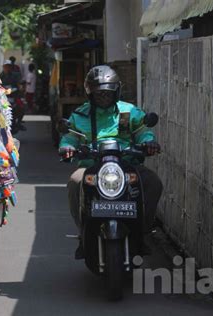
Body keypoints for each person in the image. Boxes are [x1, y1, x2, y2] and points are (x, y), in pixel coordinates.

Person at [59, 65, 163, 259]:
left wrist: (148, 142)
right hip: (91, 167)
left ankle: (144, 230)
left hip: (126, 164)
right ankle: (84, 233)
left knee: (152, 183)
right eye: (99, 94)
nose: (103, 97)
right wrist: (67, 147)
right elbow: (70, 136)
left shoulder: (129, 111)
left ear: (116, 91)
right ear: (90, 94)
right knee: (74, 182)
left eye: (107, 93)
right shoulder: (80, 115)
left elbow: (142, 131)